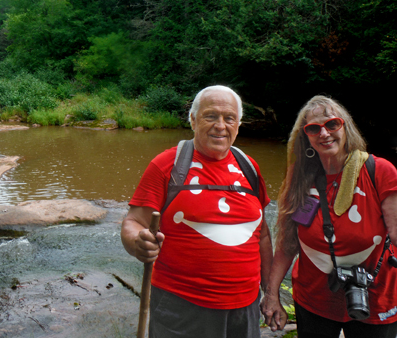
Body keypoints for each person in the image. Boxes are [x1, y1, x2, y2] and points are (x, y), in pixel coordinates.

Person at [121, 85, 273, 338]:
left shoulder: (249, 167)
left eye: (229, 118)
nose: (220, 125)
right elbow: (134, 222)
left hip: (245, 308)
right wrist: (138, 242)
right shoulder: (166, 165)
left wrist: (270, 291)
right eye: (210, 116)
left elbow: (263, 235)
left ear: (239, 123)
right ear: (193, 120)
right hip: (182, 307)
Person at [261, 95, 397, 337]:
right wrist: (271, 296)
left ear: (345, 126)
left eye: (332, 124)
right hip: (314, 301)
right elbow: (287, 244)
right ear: (306, 138)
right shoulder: (299, 180)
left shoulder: (380, 171)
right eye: (314, 128)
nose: (324, 133)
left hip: (375, 300)